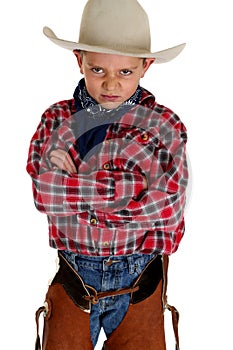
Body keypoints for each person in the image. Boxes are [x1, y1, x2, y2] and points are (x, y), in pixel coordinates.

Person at [27, 0, 188, 349]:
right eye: (98, 70)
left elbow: (167, 207)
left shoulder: (165, 127)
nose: (111, 83)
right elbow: (45, 194)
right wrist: (131, 187)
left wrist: (75, 183)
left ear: (145, 66)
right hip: (74, 277)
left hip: (140, 278)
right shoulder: (57, 120)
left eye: (125, 72)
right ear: (80, 59)